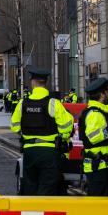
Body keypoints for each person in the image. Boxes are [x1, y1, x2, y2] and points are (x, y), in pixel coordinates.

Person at [10, 66, 74, 195]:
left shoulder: (22, 103)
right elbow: (67, 126)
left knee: (30, 186)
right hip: (49, 152)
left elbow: (14, 126)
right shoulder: (53, 103)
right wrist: (63, 136)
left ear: (32, 82)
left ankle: (32, 213)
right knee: (48, 188)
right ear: (46, 82)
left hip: (30, 151)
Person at [80, 77, 108, 196]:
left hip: (103, 164)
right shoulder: (94, 114)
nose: (107, 95)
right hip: (97, 165)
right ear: (102, 94)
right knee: (97, 198)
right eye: (106, 92)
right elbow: (92, 137)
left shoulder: (101, 111)